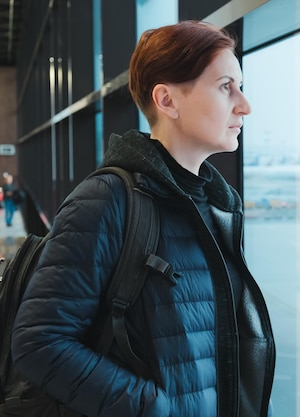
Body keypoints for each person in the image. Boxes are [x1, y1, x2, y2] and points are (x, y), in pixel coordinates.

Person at [11, 20, 275, 417]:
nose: (244, 104)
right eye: (226, 87)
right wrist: (150, 408)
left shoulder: (216, 205)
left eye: (241, 86)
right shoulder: (106, 202)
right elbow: (38, 344)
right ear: (168, 101)